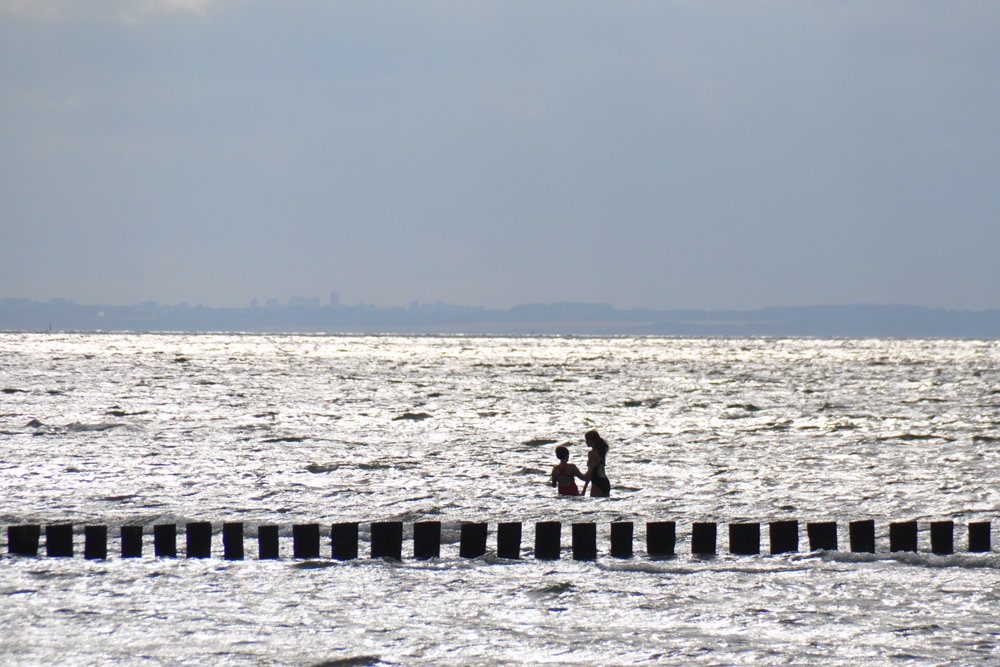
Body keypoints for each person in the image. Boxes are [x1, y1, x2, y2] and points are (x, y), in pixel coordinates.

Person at [582, 430, 611, 497]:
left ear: (591, 440)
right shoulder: (601, 451)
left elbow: (591, 473)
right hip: (605, 482)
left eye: (586, 440)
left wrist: (584, 489)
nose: (586, 442)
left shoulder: (591, 453)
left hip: (597, 482)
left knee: (594, 505)